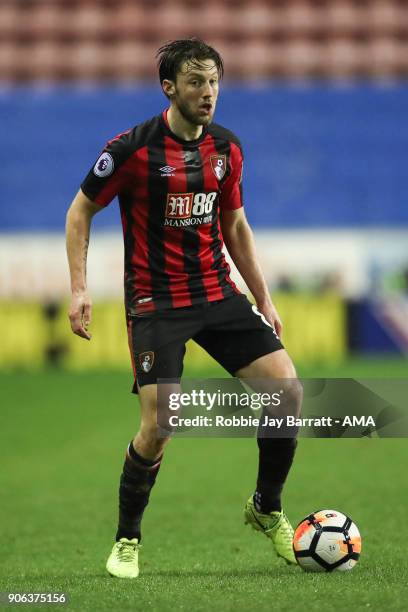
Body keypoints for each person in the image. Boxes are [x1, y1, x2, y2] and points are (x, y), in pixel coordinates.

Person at [66, 38, 301, 579]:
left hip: (217, 292)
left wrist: (262, 296)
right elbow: (79, 213)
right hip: (156, 301)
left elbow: (235, 226)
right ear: (169, 88)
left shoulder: (227, 149)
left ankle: (266, 508)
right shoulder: (130, 151)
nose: (208, 92)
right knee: (160, 425)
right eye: (196, 82)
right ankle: (127, 539)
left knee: (286, 389)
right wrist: (79, 288)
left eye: (214, 81)